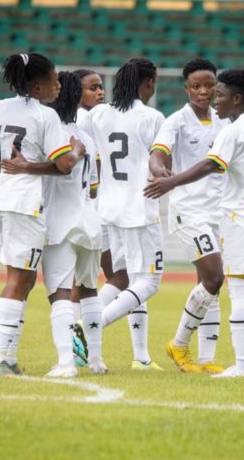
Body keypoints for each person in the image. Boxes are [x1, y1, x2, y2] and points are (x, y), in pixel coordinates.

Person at [144, 69, 244, 378]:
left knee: (239, 290)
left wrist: (172, 181)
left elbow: (210, 164)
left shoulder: (232, 130)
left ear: (236, 99)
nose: (215, 100)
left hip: (243, 219)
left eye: (221, 94)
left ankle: (242, 366)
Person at [0, 52, 77, 377]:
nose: (59, 86)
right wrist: (69, 153)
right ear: (38, 88)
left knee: (23, 278)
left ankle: (9, 357)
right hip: (24, 203)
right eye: (54, 81)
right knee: (18, 280)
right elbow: (65, 165)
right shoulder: (45, 115)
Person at [1, 71, 105, 377]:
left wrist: (26, 167)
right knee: (89, 290)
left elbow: (62, 166)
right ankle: (96, 360)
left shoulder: (51, 129)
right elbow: (94, 187)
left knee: (59, 293)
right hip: (89, 220)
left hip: (60, 222)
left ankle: (66, 363)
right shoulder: (86, 137)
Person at [81, 58, 165, 370]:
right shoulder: (152, 117)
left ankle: (141, 358)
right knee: (150, 282)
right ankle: (87, 327)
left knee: (129, 280)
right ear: (149, 82)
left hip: (107, 208)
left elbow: (82, 147)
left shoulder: (98, 114)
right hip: (139, 209)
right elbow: (163, 161)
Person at [148, 58, 228, 374]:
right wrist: (159, 171)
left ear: (217, 86)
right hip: (189, 211)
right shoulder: (176, 121)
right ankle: (179, 345)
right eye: (197, 86)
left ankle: (206, 360)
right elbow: (157, 154)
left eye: (209, 85)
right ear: (187, 88)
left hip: (219, 211)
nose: (203, 91)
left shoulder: (224, 120)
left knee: (210, 285)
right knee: (215, 277)